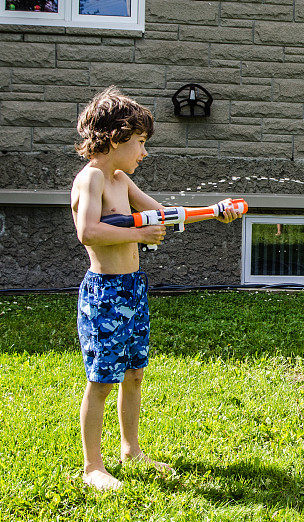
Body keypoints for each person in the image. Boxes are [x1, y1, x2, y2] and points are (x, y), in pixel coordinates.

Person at [71, 86, 242, 490]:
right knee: (101, 379)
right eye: (141, 143)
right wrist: (142, 236)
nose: (143, 153)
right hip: (105, 295)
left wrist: (214, 212)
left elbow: (160, 215)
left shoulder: (119, 180)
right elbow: (87, 232)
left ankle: (130, 448)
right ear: (117, 136)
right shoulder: (92, 178)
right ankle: (92, 466)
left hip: (133, 289)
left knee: (133, 374)